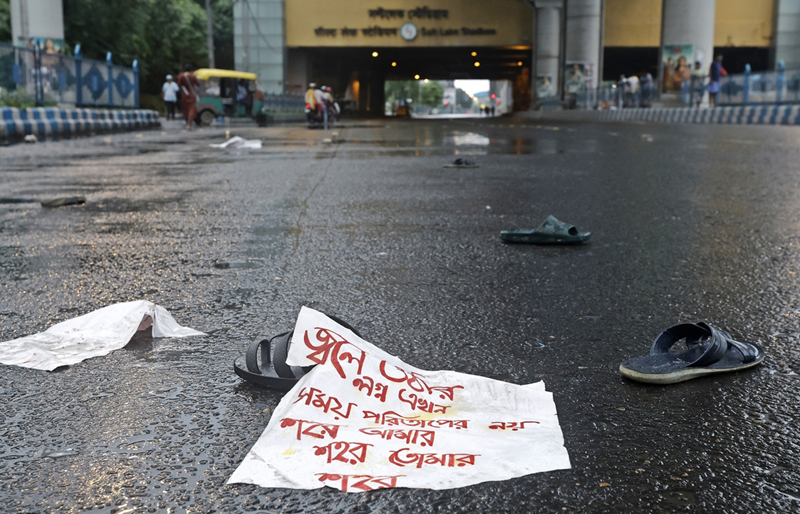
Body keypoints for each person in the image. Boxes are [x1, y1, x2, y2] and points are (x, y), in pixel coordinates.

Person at [177, 64, 200, 129]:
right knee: (191, 109)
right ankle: (189, 124)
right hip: (192, 94)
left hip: (184, 94)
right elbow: (198, 84)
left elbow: (178, 84)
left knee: (185, 109)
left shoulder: (181, 76)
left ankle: (187, 122)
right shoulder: (193, 76)